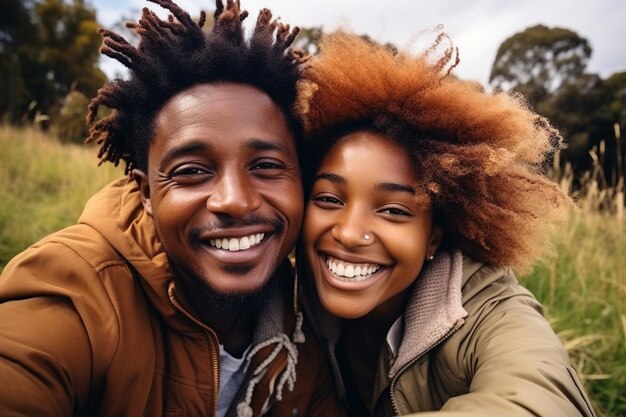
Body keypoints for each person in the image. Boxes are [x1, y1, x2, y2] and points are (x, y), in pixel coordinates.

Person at [0, 1, 345, 416]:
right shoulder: (75, 286)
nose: (234, 200)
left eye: (267, 166)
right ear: (146, 194)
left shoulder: (304, 318)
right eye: (192, 171)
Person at [293, 30, 597, 416]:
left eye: (394, 211)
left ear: (434, 237)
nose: (350, 233)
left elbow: (543, 399)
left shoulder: (485, 307)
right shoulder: (284, 289)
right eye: (329, 199)